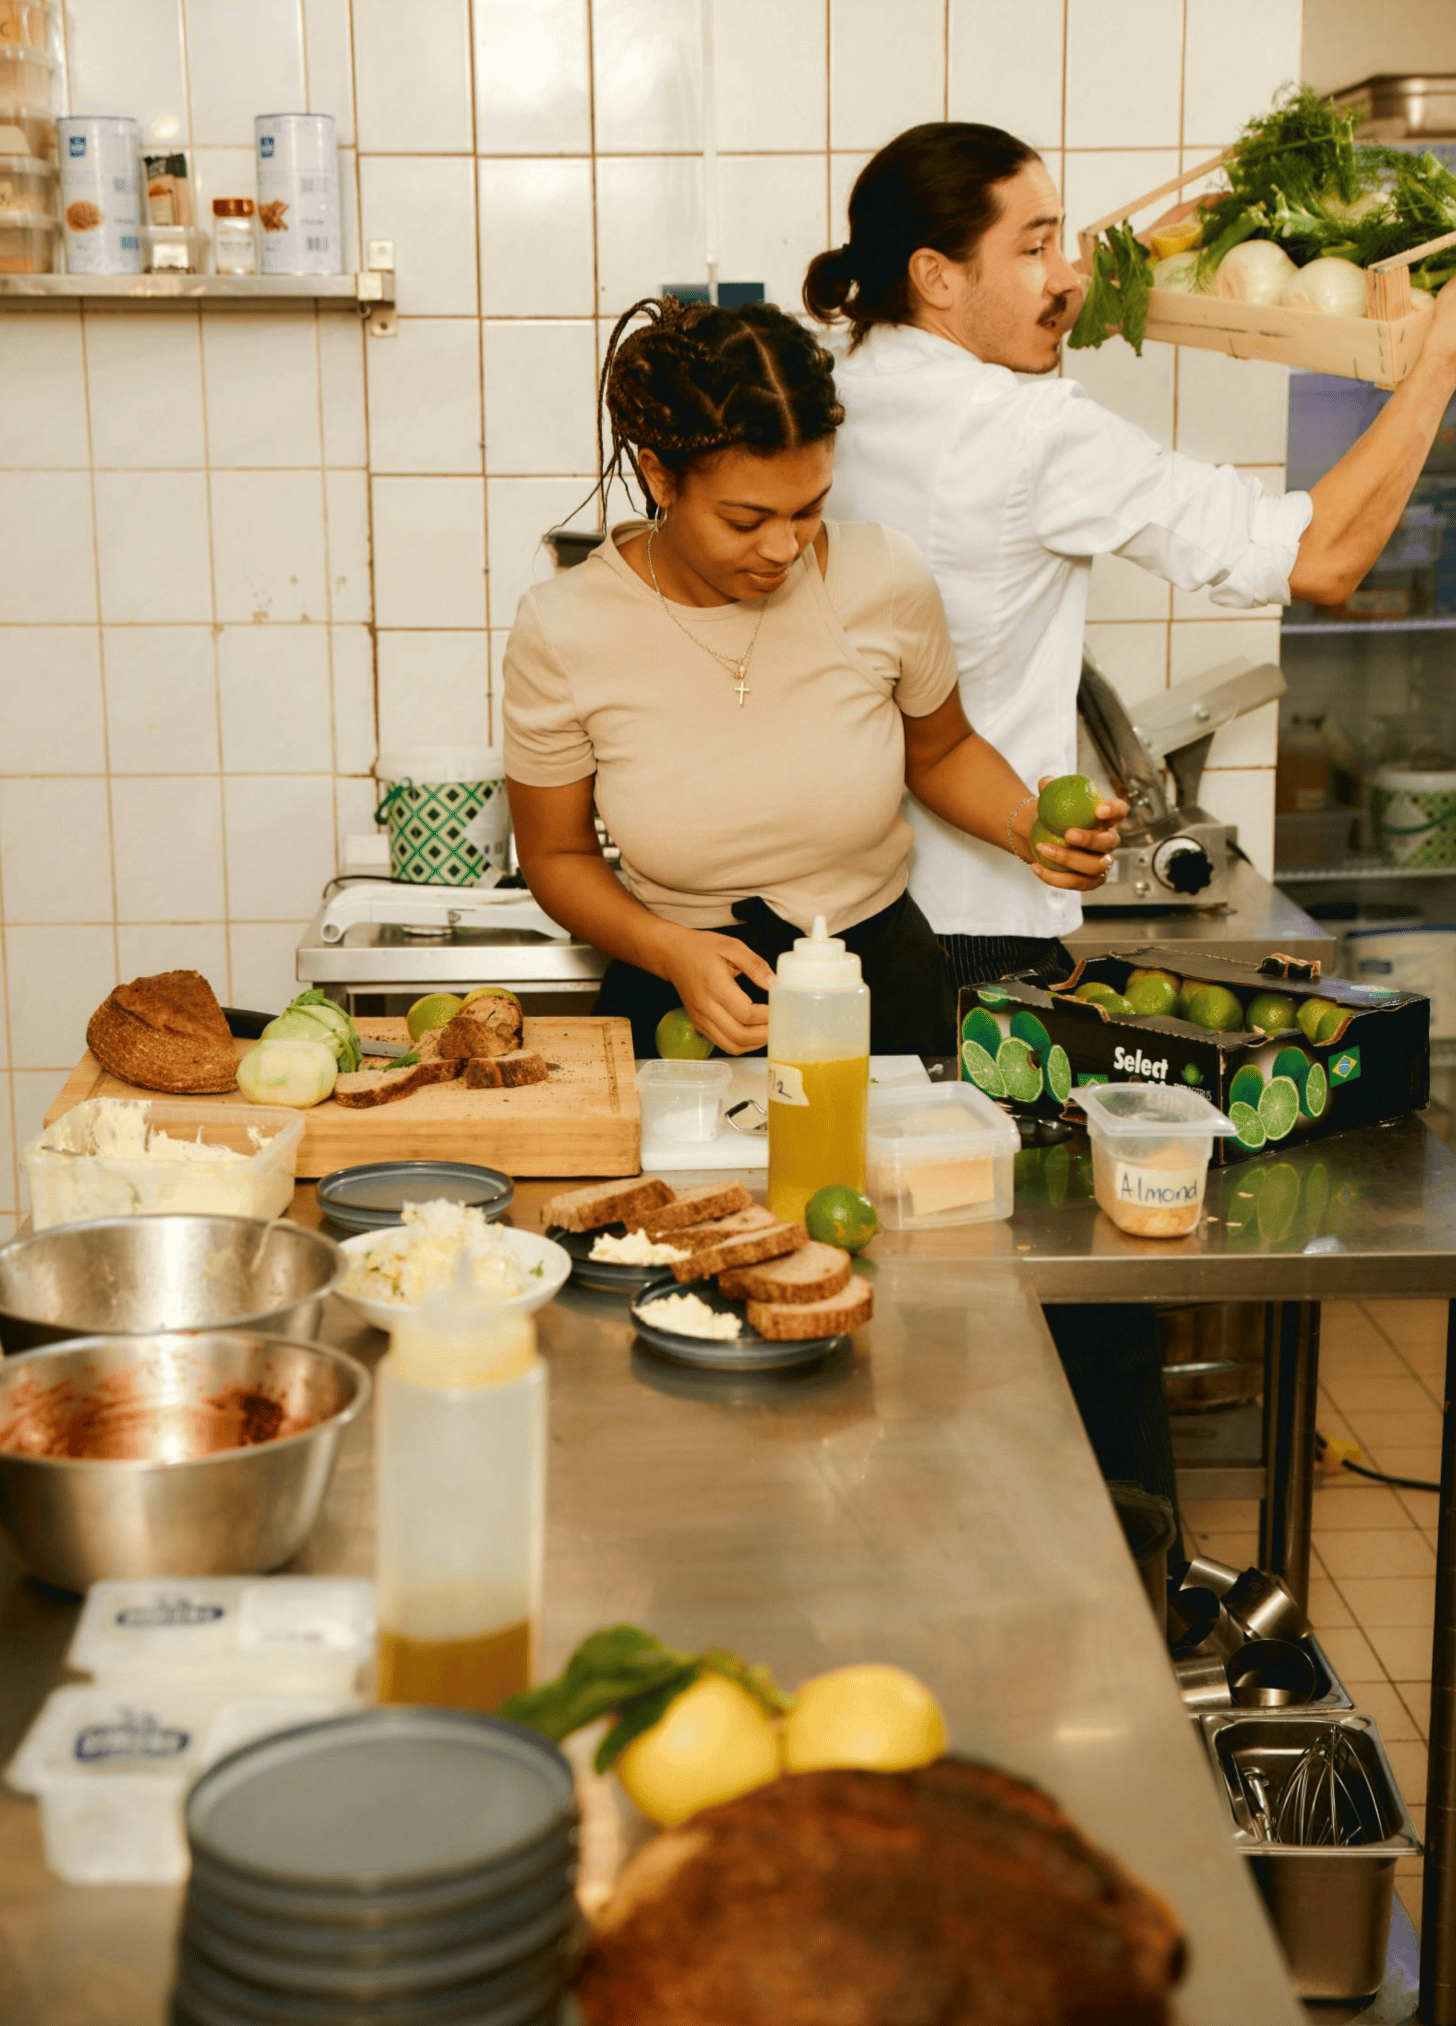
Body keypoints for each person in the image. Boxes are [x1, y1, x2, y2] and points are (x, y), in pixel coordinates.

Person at [805, 121, 1456, 994]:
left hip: (840, 916)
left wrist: (1117, 268)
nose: (1063, 274)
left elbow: (997, 348)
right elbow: (1318, 559)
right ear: (936, 275)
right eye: (1036, 246)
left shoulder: (829, 384)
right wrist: (1438, 368)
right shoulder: (1036, 432)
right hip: (978, 927)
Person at [502, 296, 1123, 1062]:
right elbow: (556, 856)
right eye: (745, 520)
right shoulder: (565, 627)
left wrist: (1024, 824)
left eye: (810, 509)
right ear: (659, 477)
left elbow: (942, 749)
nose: (784, 547)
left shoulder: (885, 577)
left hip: (883, 990)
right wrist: (668, 951)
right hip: (682, 998)